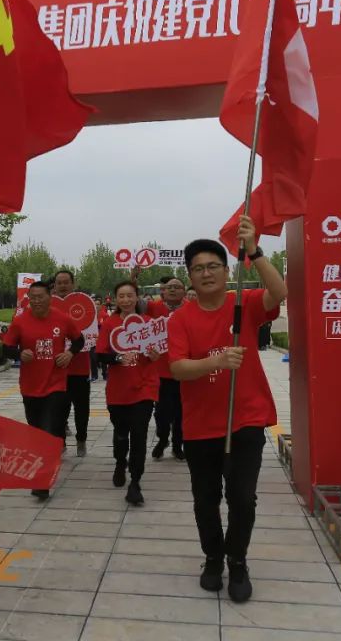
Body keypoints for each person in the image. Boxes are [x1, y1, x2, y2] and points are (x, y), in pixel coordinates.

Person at [167, 216, 286, 603]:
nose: (206, 273)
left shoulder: (244, 304)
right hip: (201, 426)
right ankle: (213, 558)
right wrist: (215, 362)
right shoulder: (180, 319)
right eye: (198, 268)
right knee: (206, 499)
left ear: (225, 269)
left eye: (213, 266)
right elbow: (178, 368)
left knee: (243, 498)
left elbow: (279, 291)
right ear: (190, 276)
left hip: (245, 419)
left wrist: (255, 251)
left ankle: (237, 560)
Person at [3, 281, 84, 494]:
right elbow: (7, 347)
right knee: (37, 431)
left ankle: (41, 481)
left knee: (48, 430)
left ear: (50, 297)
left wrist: (69, 354)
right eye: (33, 297)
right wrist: (19, 354)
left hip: (56, 385)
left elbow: (79, 340)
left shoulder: (62, 319)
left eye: (40, 297)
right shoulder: (20, 321)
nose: (36, 301)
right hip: (30, 387)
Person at [96, 280, 160, 506]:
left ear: (137, 297)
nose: (125, 300)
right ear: (115, 299)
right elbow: (100, 354)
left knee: (139, 435)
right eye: (121, 296)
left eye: (129, 295)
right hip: (118, 389)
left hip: (145, 388)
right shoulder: (109, 323)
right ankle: (120, 462)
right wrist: (117, 357)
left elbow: (159, 351)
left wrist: (155, 354)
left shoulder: (149, 323)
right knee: (121, 432)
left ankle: (135, 482)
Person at [51, 270, 92, 457]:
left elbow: (90, 335)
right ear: (54, 285)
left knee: (81, 408)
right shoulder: (49, 307)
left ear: (73, 284)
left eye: (66, 282)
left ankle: (81, 439)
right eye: (59, 282)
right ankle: (60, 441)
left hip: (80, 368)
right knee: (59, 408)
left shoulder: (84, 305)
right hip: (57, 368)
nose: (63, 286)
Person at [148, 276, 187, 461]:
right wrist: (133, 277)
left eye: (177, 287)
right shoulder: (154, 307)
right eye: (169, 287)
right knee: (162, 413)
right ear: (163, 291)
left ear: (184, 291)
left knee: (181, 413)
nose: (172, 290)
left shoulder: (191, 309)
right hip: (161, 372)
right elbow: (132, 303)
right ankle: (163, 440)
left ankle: (178, 446)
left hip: (185, 371)